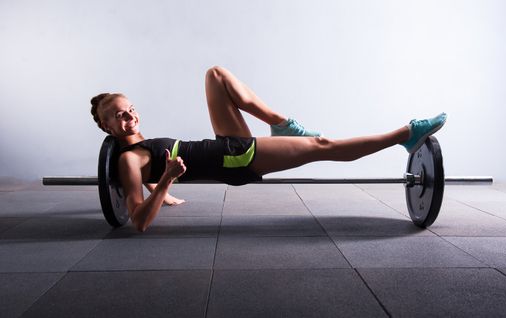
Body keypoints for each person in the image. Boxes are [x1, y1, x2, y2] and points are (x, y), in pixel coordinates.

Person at [90, 66, 447, 232]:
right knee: (322, 145)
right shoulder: (128, 161)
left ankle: (281, 123)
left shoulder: (143, 151)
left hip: (223, 146)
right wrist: (167, 180)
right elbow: (138, 221)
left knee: (214, 75)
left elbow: (151, 181)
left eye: (130, 108)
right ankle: (405, 135)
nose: (128, 116)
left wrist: (164, 190)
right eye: (117, 116)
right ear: (107, 127)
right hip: (234, 160)